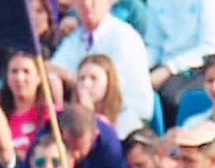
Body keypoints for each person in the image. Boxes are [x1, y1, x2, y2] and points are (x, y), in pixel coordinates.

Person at [48, 0, 153, 136]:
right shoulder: (75, 38)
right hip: (86, 120)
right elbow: (51, 67)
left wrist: (70, 77)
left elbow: (110, 88)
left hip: (126, 121)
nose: (87, 5)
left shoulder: (125, 37)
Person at [146, 0, 215, 127]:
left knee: (174, 96)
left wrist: (168, 69)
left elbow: (211, 46)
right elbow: (154, 45)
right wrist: (139, 70)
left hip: (202, 67)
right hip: (164, 65)